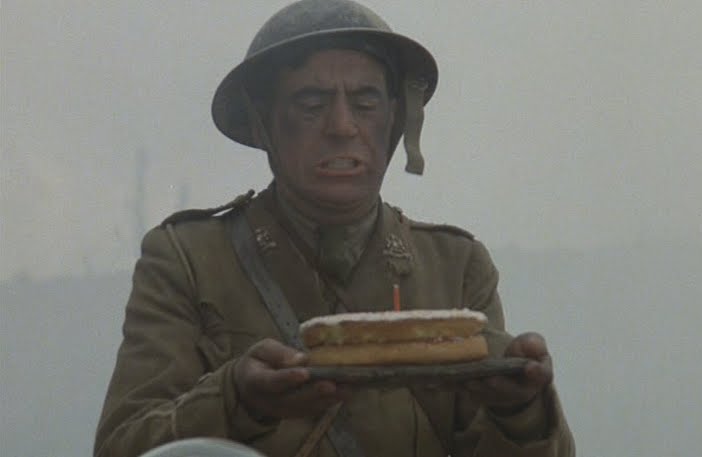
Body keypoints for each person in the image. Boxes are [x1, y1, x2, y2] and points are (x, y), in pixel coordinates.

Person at [94, 1, 575, 456]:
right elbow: (125, 445)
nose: (342, 126)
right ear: (263, 123)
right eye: (311, 103)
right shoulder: (190, 259)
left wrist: (522, 412)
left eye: (365, 102)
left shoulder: (454, 267)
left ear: (394, 121)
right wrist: (237, 399)